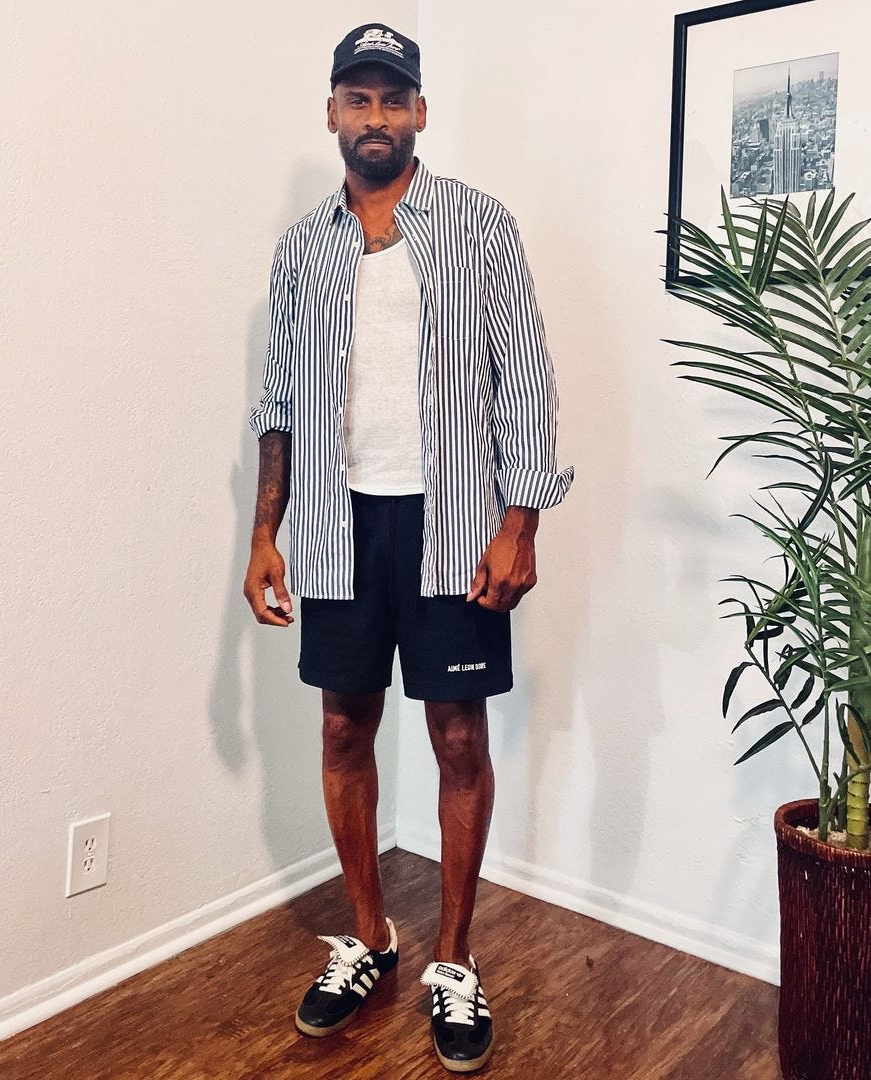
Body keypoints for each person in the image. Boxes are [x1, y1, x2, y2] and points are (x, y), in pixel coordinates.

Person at [243, 22, 573, 1074]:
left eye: (394, 99)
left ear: (420, 112)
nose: (375, 117)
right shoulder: (302, 248)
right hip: (338, 527)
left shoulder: (478, 225)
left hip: (455, 524)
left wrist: (519, 522)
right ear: (331, 112)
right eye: (357, 98)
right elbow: (279, 405)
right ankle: (372, 941)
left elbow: (525, 373)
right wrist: (264, 533)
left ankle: (456, 961)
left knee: (459, 739)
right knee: (345, 727)